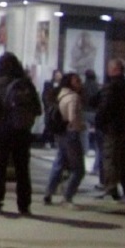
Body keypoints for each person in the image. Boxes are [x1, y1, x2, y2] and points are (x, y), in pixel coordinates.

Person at [0, 52, 40, 214]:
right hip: (23, 132)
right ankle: (24, 205)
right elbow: (37, 109)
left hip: (4, 130)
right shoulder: (26, 83)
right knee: (23, 168)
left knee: (0, 167)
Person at [95, 59, 125, 202]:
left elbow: (104, 108)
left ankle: (111, 189)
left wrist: (100, 123)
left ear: (114, 70)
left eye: (109, 68)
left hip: (112, 130)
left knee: (110, 159)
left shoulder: (110, 88)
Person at [43, 73, 87, 205]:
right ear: (70, 83)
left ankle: (48, 193)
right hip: (71, 134)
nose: (80, 83)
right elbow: (72, 118)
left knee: (59, 164)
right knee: (78, 169)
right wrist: (82, 126)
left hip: (60, 133)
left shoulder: (59, 95)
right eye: (77, 81)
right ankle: (67, 196)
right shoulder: (73, 97)